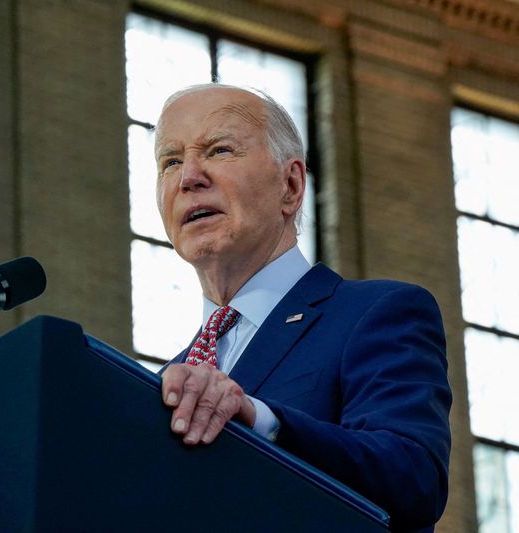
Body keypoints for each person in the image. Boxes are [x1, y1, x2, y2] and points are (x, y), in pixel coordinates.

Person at [154, 84, 451, 532]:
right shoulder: (160, 386)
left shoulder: (376, 313)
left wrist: (261, 421)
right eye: (171, 161)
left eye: (218, 150)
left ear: (290, 186)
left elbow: (413, 477)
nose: (188, 177)